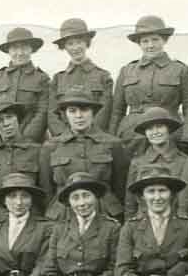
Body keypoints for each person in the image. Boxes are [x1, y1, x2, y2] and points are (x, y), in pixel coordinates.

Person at [40, 86, 130, 222]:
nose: (79, 116)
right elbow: (47, 190)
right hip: (63, 216)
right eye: (72, 111)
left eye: (84, 110)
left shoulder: (113, 144)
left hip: (104, 214)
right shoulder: (51, 147)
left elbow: (120, 187)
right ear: (65, 115)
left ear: (93, 112)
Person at [108, 15, 188, 150]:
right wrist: (112, 140)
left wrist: (186, 137)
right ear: (139, 43)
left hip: (169, 133)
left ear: (164, 40)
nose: (150, 45)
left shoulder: (180, 70)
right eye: (145, 41)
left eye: (155, 40)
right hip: (131, 136)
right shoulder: (127, 71)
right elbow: (117, 111)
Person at [0, 96, 49, 225]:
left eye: (9, 117)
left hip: (29, 219)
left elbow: (46, 192)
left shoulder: (36, 151)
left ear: (18, 119)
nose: (6, 123)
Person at [45, 18, 114, 140]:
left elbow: (105, 111)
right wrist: (64, 137)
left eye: (79, 42)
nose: (75, 48)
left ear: (87, 43)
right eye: (70, 44)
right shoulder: (58, 79)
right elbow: (52, 113)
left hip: (96, 139)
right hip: (64, 141)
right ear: (64, 47)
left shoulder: (103, 76)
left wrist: (92, 135)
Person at [0, 27, 50, 144]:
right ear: (8, 51)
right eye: (14, 48)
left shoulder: (42, 78)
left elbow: (42, 112)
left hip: (31, 143)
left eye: (24, 48)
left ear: (32, 50)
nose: (19, 53)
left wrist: (27, 139)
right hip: (0, 142)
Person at [122, 106, 188, 221]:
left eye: (159, 127)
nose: (155, 132)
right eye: (150, 129)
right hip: (142, 225)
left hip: (174, 224)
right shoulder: (137, 163)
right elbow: (130, 203)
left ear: (168, 129)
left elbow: (186, 201)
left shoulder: (185, 161)